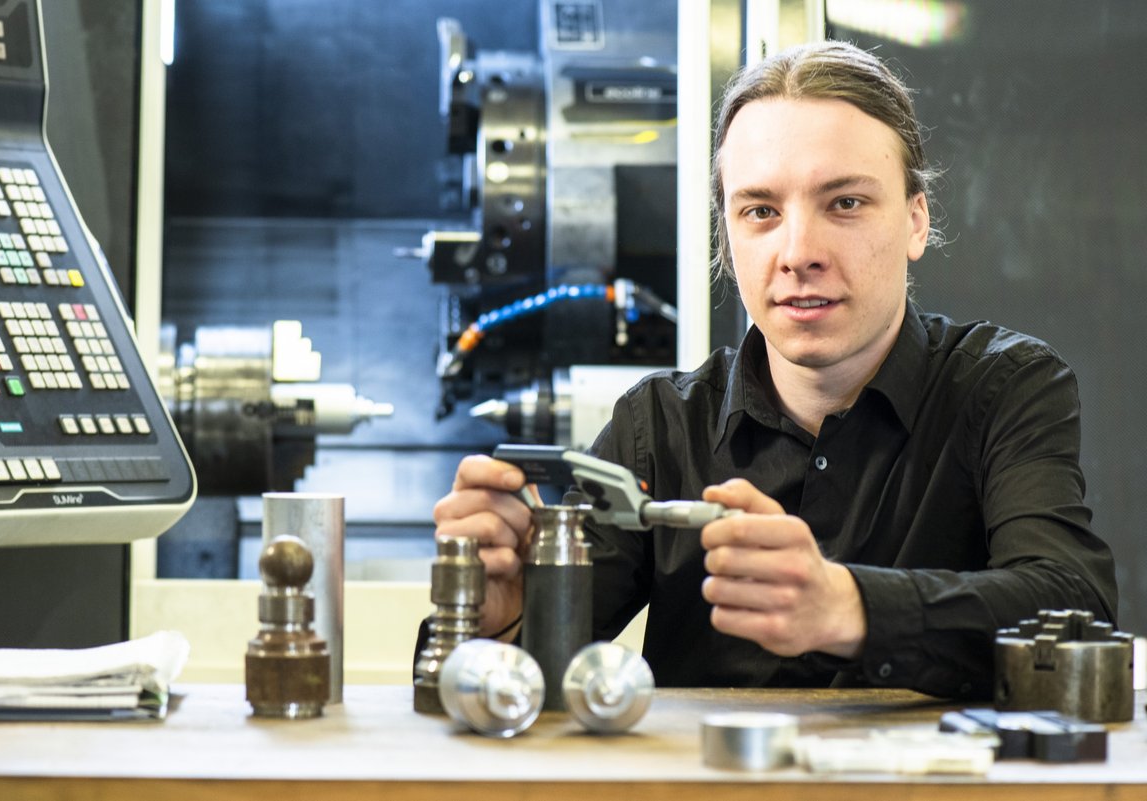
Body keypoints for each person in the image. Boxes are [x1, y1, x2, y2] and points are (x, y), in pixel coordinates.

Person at [431, 40, 1117, 698]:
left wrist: (851, 607)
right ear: (728, 239)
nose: (798, 252)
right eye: (761, 210)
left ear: (915, 221)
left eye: (844, 203)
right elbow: (512, 685)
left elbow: (1072, 602)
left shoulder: (1006, 388)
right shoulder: (659, 427)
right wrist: (495, 620)